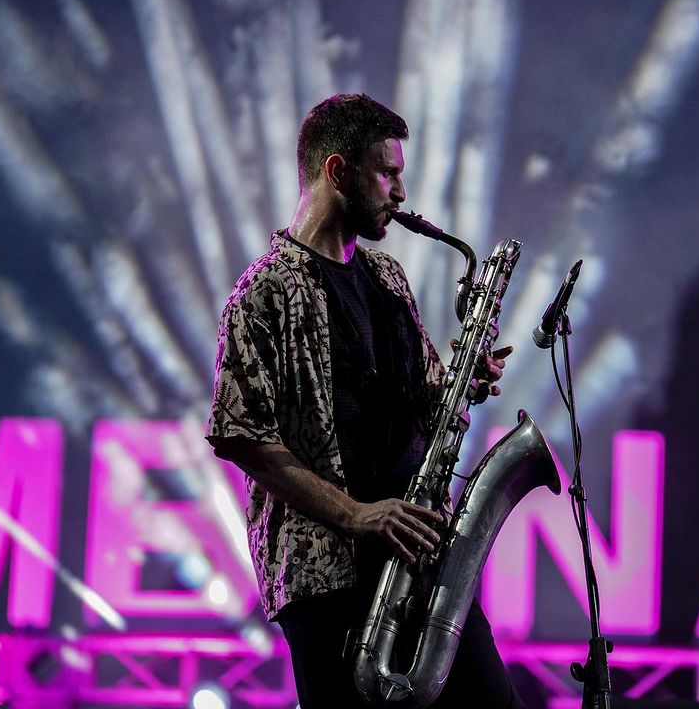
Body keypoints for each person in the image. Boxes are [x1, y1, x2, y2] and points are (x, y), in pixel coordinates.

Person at [206, 94, 523, 708]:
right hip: (328, 579)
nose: (400, 192)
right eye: (388, 173)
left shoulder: (388, 277)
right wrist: (356, 513)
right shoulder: (264, 293)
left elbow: (428, 396)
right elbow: (239, 435)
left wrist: (463, 379)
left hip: (417, 560)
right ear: (336, 172)